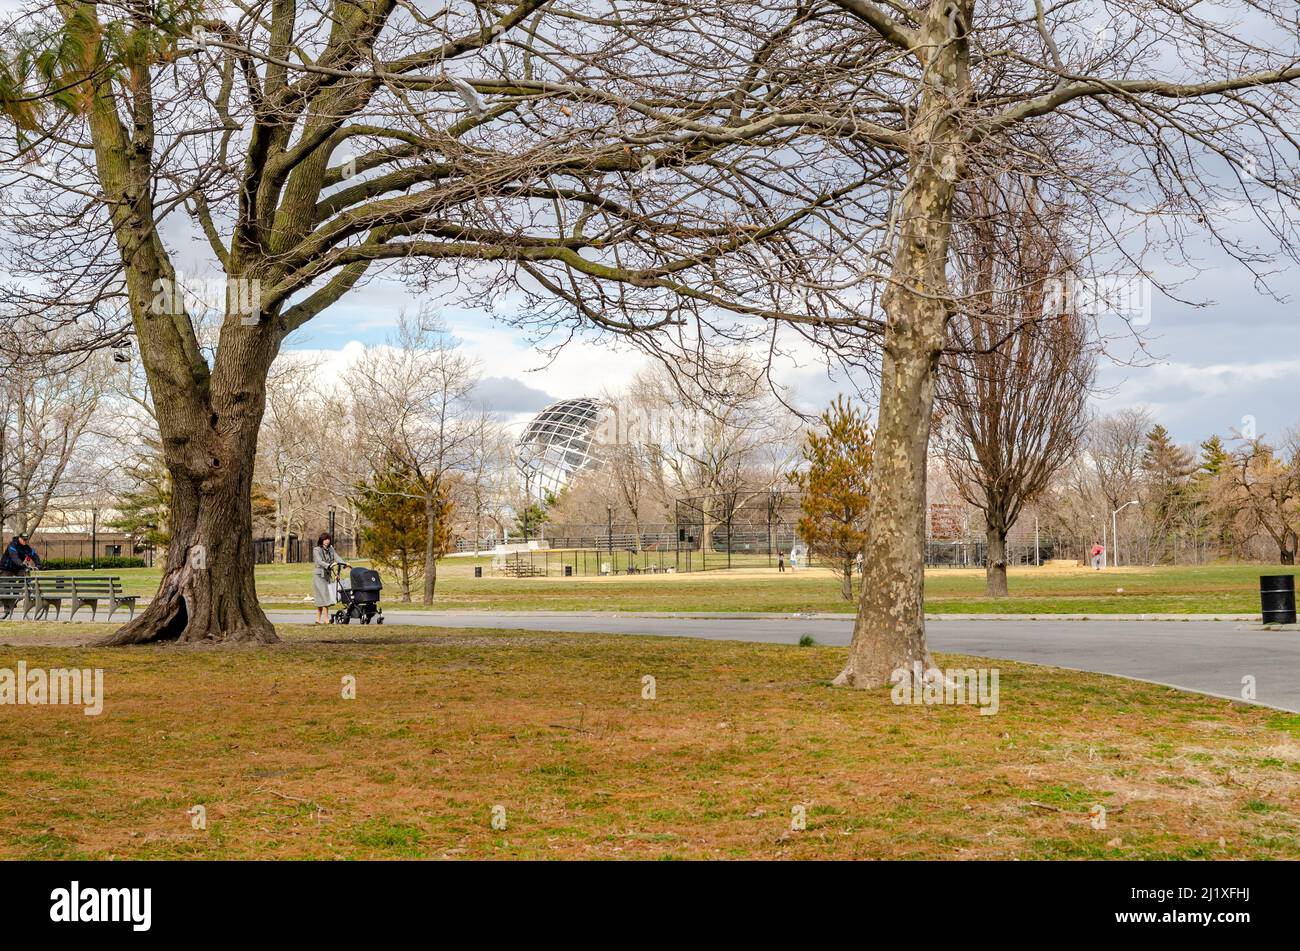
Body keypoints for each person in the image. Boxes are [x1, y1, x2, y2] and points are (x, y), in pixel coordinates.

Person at [312, 533, 348, 624]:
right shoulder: (316, 549)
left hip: (327, 575)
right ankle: (326, 619)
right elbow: (319, 561)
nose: (327, 541)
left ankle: (317, 620)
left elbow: (337, 557)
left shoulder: (331, 549)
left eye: (328, 539)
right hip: (319, 575)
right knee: (325, 596)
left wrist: (344, 563)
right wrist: (329, 565)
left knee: (322, 597)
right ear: (321, 540)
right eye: (325, 539)